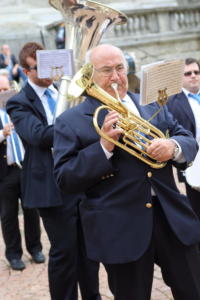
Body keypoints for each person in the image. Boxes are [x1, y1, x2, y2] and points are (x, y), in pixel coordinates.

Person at [53, 44, 200, 300]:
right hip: (120, 226)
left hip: (171, 217)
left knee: (193, 289)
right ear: (90, 74)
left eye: (120, 68)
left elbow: (187, 138)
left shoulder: (152, 104)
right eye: (106, 70)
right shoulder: (71, 120)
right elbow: (65, 178)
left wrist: (172, 146)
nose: (116, 77)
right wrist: (103, 148)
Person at [6, 42, 101, 300]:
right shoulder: (18, 102)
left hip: (78, 178)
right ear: (26, 71)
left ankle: (93, 296)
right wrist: (75, 126)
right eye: (40, 68)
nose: (49, 73)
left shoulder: (66, 90)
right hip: (49, 187)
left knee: (89, 250)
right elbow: (37, 136)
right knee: (64, 253)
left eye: (51, 65)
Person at [0, 75, 44, 271]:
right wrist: (2, 134)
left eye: (6, 89)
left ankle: (35, 248)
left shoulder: (20, 107)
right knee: (8, 215)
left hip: (26, 167)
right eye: (0, 91)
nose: (3, 94)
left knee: (31, 210)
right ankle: (14, 254)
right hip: (5, 173)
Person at [167, 57, 200, 221]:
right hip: (193, 163)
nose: (193, 76)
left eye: (196, 72)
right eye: (188, 73)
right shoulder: (171, 103)